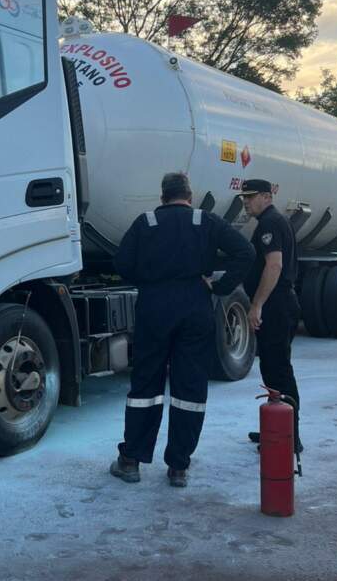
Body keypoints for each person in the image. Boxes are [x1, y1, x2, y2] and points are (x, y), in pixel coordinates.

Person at [109, 172, 255, 488]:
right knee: (189, 389)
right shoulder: (207, 221)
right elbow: (246, 253)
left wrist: (147, 282)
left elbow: (120, 263)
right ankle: (178, 467)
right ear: (189, 196)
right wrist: (220, 286)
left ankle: (131, 461)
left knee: (145, 385)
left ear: (163, 197)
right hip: (195, 307)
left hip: (154, 308)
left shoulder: (145, 223)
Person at [239, 178, 303, 453]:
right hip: (280, 304)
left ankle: (289, 438)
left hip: (276, 306)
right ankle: (276, 429)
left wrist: (257, 305)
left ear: (267, 196)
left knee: (279, 371)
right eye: (244, 198)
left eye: (251, 197)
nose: (246, 202)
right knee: (273, 370)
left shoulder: (269, 223)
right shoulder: (274, 220)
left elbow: (274, 266)